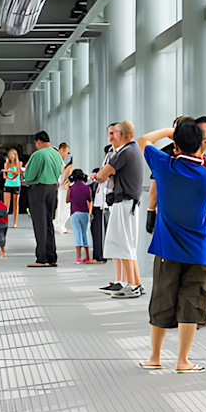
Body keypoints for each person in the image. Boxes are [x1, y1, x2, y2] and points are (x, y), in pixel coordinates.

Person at [136, 118, 206, 372]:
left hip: (166, 249)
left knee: (162, 300)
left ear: (176, 146)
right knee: (190, 304)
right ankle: (183, 361)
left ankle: (155, 357)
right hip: (197, 251)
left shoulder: (164, 166)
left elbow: (142, 141)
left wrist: (169, 132)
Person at [92, 121, 145, 297]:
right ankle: (134, 283)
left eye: (114, 133)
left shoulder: (124, 152)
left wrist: (99, 175)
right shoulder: (134, 149)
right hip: (130, 203)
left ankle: (132, 286)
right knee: (126, 244)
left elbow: (102, 174)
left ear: (122, 134)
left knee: (124, 244)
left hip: (124, 203)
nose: (111, 136)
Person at [147, 116, 206, 234]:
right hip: (169, 218)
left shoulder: (205, 160)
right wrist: (150, 213)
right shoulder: (167, 155)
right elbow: (155, 185)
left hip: (193, 219)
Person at [23, 131, 64, 267]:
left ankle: (42, 257)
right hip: (53, 188)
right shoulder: (56, 154)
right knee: (48, 223)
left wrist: (25, 177)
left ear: (38, 141)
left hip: (39, 189)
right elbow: (60, 171)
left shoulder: (38, 154)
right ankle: (52, 256)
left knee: (39, 224)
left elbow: (29, 175)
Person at [67, 169, 93, 263]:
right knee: (85, 233)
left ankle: (78, 257)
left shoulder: (71, 188)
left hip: (75, 212)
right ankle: (87, 256)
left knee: (77, 234)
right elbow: (90, 200)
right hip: (85, 212)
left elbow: (67, 200)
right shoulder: (87, 188)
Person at [89, 163, 108, 264]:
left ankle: (99, 256)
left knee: (98, 233)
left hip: (99, 208)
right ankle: (101, 255)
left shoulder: (95, 184)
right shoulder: (101, 184)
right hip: (103, 208)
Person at [55, 143, 74, 234]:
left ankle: (60, 224)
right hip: (64, 188)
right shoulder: (67, 165)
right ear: (62, 149)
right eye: (66, 151)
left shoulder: (65, 164)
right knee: (65, 209)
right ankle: (60, 225)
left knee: (62, 208)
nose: (67, 154)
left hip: (62, 188)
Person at [3, 149, 23, 228]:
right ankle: (5, 220)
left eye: (13, 155)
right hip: (8, 183)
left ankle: (15, 222)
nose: (12, 156)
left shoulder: (19, 163)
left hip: (16, 184)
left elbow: (17, 173)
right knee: (6, 204)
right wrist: (6, 165)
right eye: (10, 155)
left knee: (15, 203)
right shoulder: (7, 164)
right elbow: (4, 175)